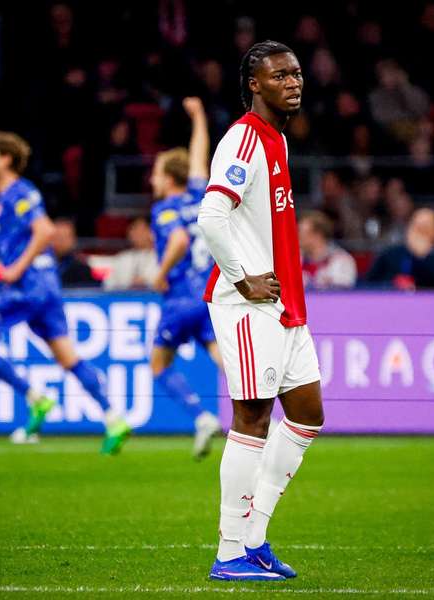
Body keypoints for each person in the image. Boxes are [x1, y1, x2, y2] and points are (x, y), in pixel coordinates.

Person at [198, 40, 323, 582]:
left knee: (307, 414)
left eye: (296, 74)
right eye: (280, 76)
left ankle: (254, 540)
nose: (293, 83)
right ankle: (230, 552)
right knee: (251, 418)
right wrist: (242, 278)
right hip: (249, 304)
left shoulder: (278, 140)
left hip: (285, 303)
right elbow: (211, 215)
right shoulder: (243, 139)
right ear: (254, 85)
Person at [0, 131, 131, 453]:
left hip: (27, 287)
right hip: (45, 287)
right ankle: (114, 418)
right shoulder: (7, 199)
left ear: (6, 159)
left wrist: (16, 268)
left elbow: (44, 231)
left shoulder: (19, 192)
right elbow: (24, 237)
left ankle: (35, 398)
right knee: (68, 357)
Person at [148, 97, 224, 459]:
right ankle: (263, 416)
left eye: (155, 173)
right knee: (223, 358)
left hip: (180, 296)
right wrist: (199, 117)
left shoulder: (164, 208)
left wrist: (160, 274)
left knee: (159, 364)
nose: (152, 179)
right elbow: (199, 155)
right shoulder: (199, 194)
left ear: (168, 179)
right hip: (209, 292)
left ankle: (201, 417)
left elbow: (178, 240)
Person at [364, 208, 434, 290]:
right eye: (417, 227)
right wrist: (392, 285)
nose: (420, 233)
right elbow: (369, 284)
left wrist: (421, 255)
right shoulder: (389, 254)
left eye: (425, 228)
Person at [299, 211, 356, 289]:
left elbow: (343, 290)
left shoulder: (342, 260)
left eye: (301, 233)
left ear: (317, 235)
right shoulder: (294, 259)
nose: (297, 237)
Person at [102, 217, 158, 290]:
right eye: (133, 229)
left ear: (152, 232)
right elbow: (108, 285)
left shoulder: (162, 257)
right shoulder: (121, 258)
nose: (137, 234)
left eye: (142, 230)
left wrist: (146, 282)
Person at [50, 218, 100, 287]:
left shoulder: (83, 270)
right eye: (56, 237)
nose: (60, 242)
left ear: (73, 240)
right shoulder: (40, 266)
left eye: (64, 237)